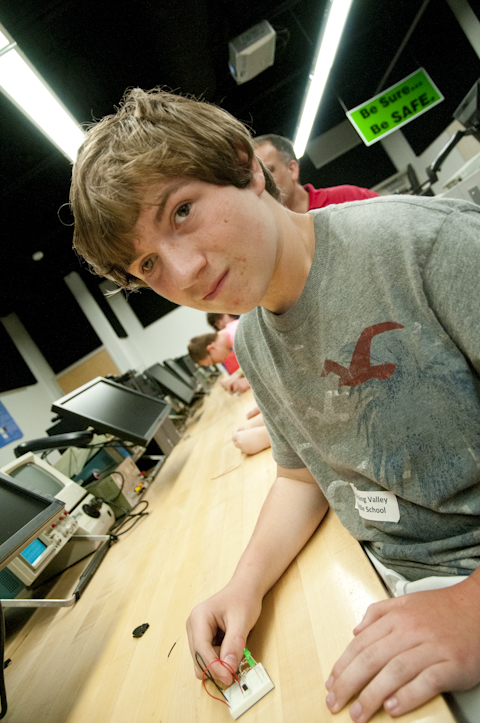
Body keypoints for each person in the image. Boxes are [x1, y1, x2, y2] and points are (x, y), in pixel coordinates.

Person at [70, 87, 480, 723]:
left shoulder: (426, 244)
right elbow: (301, 475)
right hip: (397, 579)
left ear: (245, 166)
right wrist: (245, 584)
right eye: (148, 264)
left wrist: (471, 607)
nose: (184, 270)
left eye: (182, 211)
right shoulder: (256, 342)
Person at [254, 133, 378, 213]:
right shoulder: (267, 237)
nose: (261, 183)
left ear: (292, 169)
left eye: (268, 172)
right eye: (253, 178)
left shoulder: (349, 199)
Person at [188, 321, 250, 394]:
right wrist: (236, 375)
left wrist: (247, 381)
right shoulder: (232, 330)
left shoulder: (237, 337)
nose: (220, 362)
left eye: (214, 362)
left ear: (211, 348)